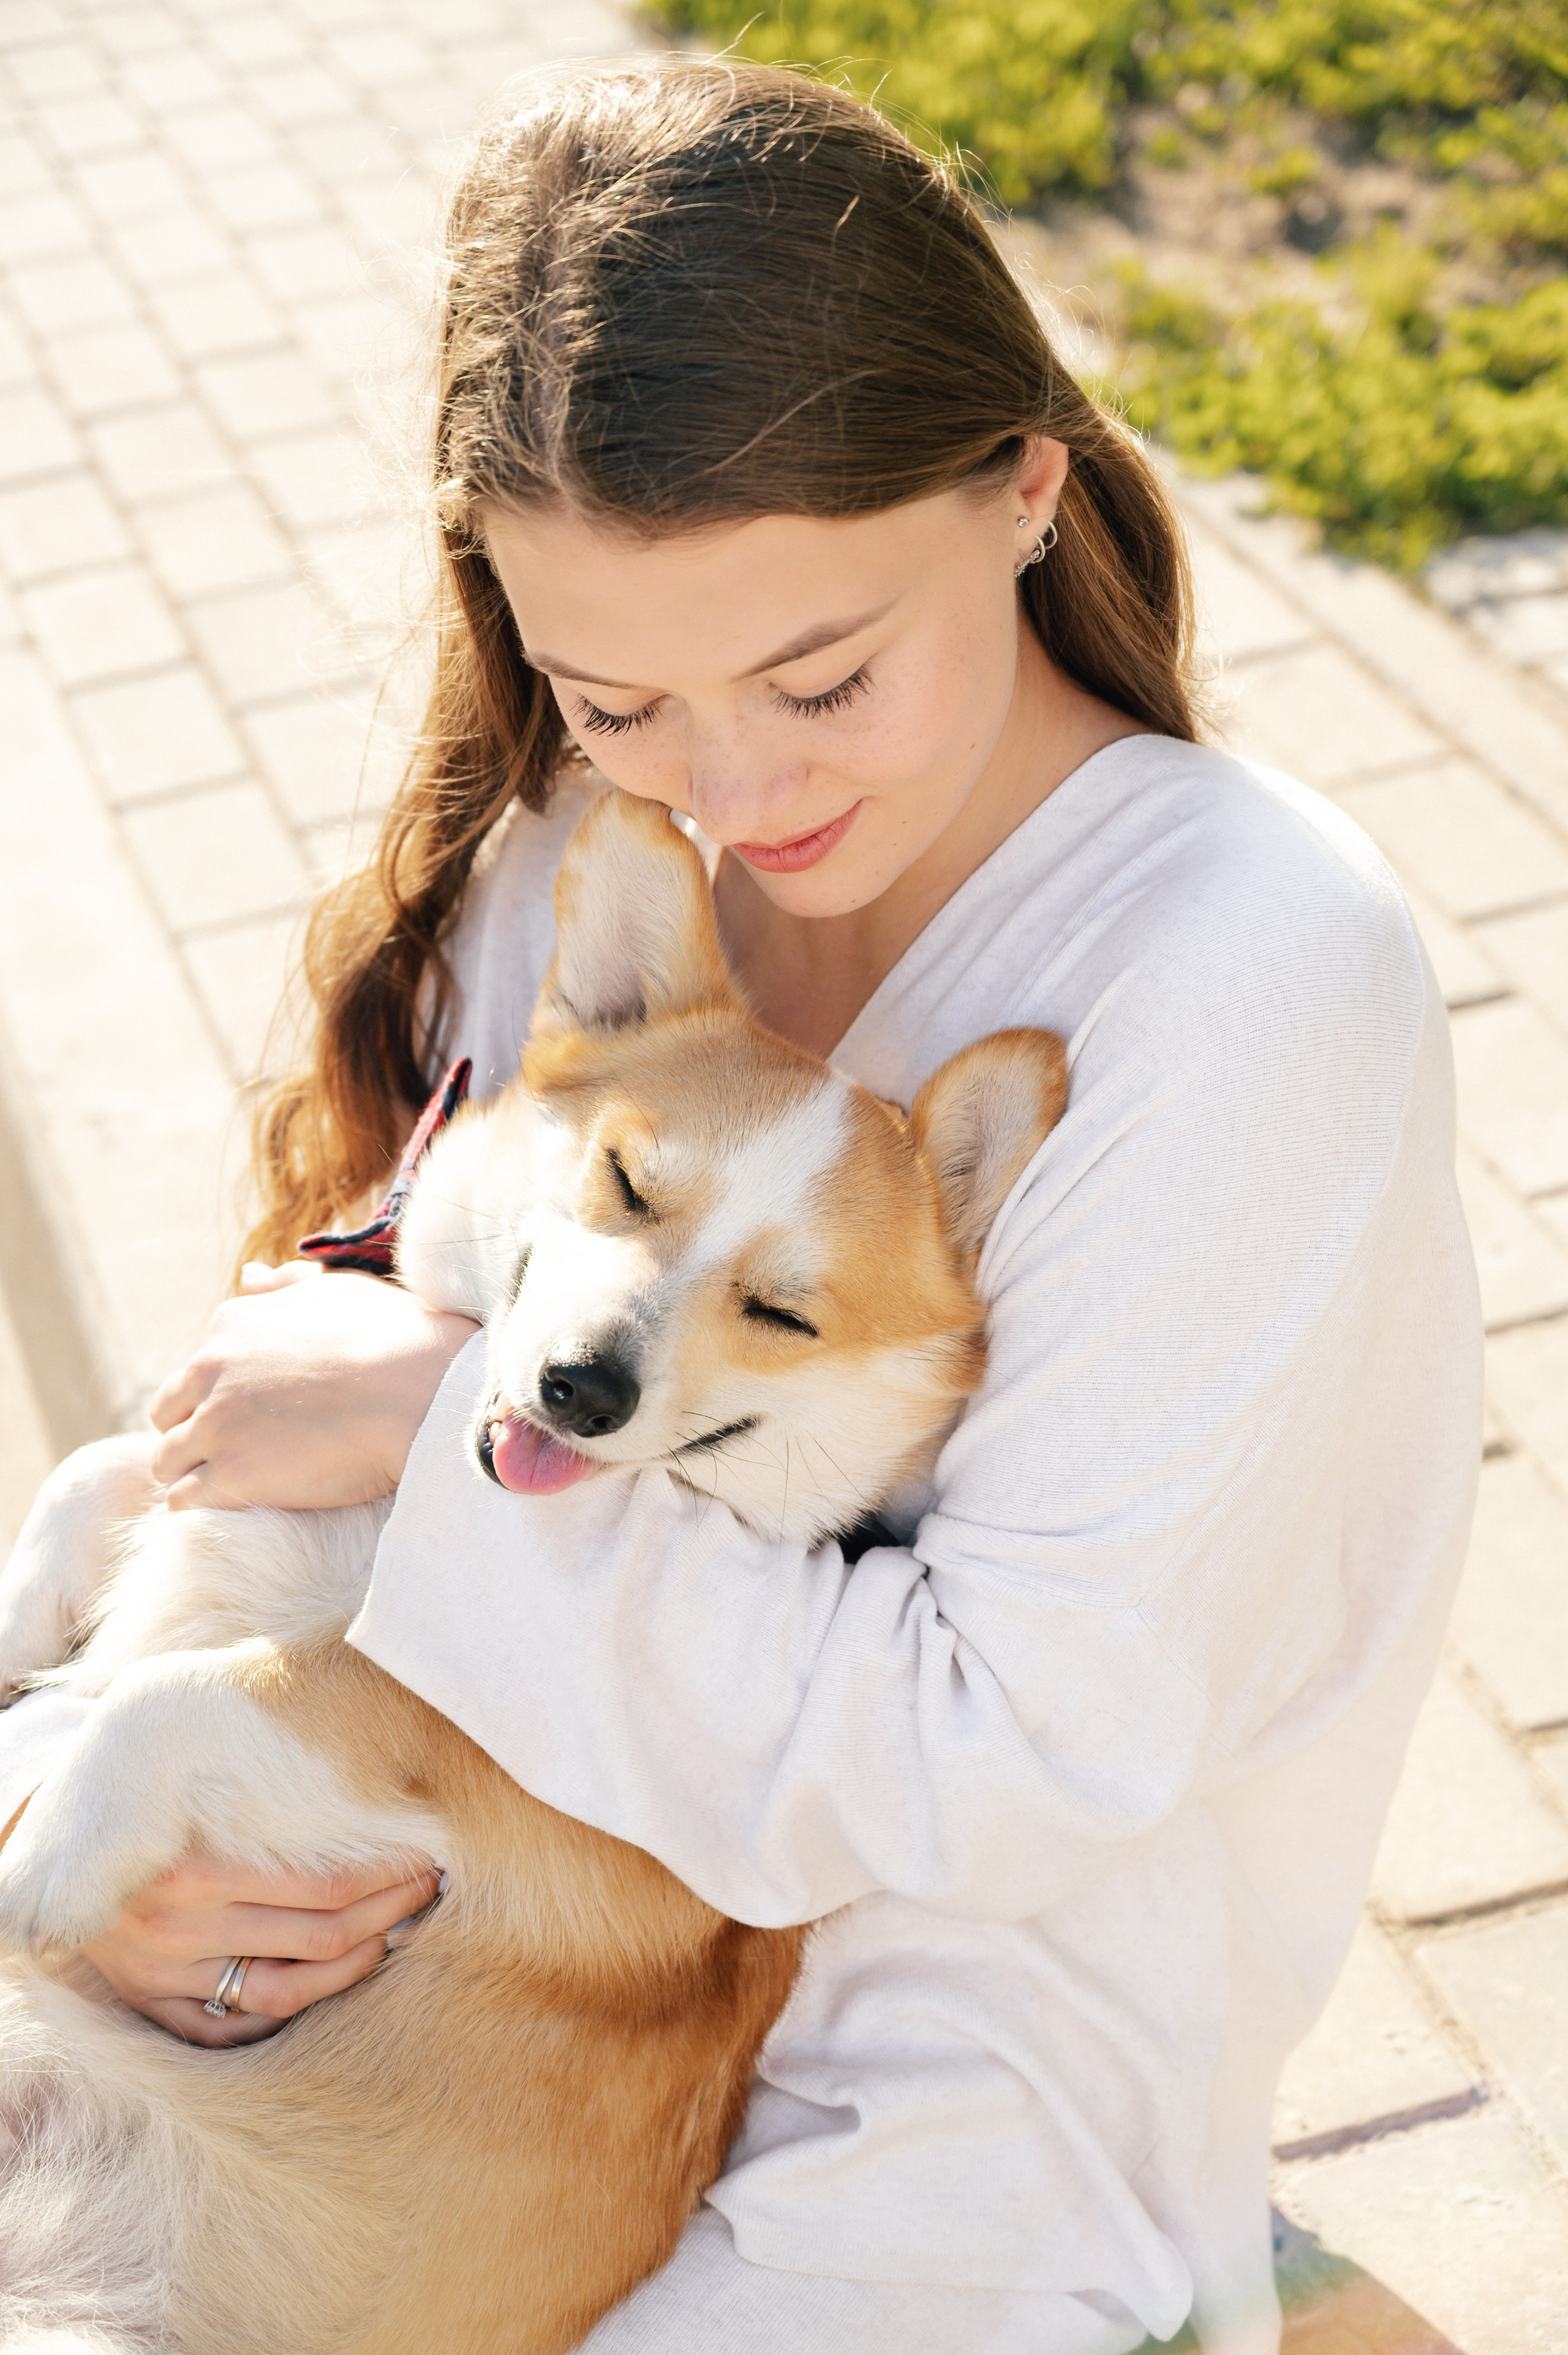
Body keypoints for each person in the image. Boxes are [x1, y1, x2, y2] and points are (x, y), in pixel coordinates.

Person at [0, 59, 1480, 2355]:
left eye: (822, 674)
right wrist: (86, 1860)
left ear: (1022, 488)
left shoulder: (1249, 968)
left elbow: (1001, 1766)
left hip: (922, 2134)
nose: (739, 785)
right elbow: (236, 1515)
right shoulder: (575, 885)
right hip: (348, 1990)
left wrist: (430, 1427)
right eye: (616, 696)